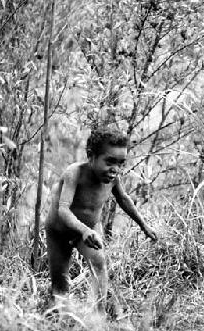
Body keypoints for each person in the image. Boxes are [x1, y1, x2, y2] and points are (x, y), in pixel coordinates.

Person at [45, 127, 157, 319]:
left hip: (89, 231)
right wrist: (84, 230)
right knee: (60, 280)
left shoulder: (113, 180)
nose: (115, 169)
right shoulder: (75, 173)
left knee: (99, 264)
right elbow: (63, 209)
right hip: (60, 231)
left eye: (120, 163)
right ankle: (59, 317)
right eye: (109, 162)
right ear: (91, 156)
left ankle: (99, 316)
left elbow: (124, 199)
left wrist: (144, 225)